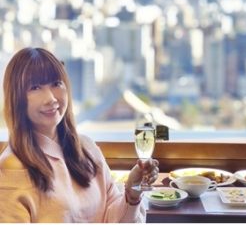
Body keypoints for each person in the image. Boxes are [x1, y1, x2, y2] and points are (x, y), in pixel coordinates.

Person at [0, 47, 159, 222]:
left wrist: (133, 191)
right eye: (35, 87)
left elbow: (112, 218)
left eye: (56, 83)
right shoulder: (11, 167)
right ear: (16, 98)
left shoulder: (86, 148)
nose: (51, 98)